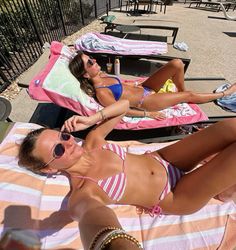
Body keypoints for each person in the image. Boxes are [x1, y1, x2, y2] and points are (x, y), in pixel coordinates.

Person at [18, 100, 236, 249]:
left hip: (164, 158)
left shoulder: (92, 142)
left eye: (63, 137)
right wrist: (117, 243)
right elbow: (98, 225)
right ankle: (226, 191)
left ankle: (227, 187)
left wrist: (92, 119)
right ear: (49, 168)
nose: (69, 144)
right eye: (58, 150)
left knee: (231, 127)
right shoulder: (84, 194)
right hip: (175, 194)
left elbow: (122, 106)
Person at [69, 52, 236, 120]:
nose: (95, 60)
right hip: (146, 100)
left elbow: (124, 89)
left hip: (144, 87)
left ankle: (182, 95)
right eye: (90, 62)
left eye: (91, 58)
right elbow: (121, 110)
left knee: (177, 63)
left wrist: (135, 84)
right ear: (85, 74)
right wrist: (148, 114)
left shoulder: (103, 75)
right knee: (188, 95)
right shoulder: (102, 92)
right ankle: (224, 94)